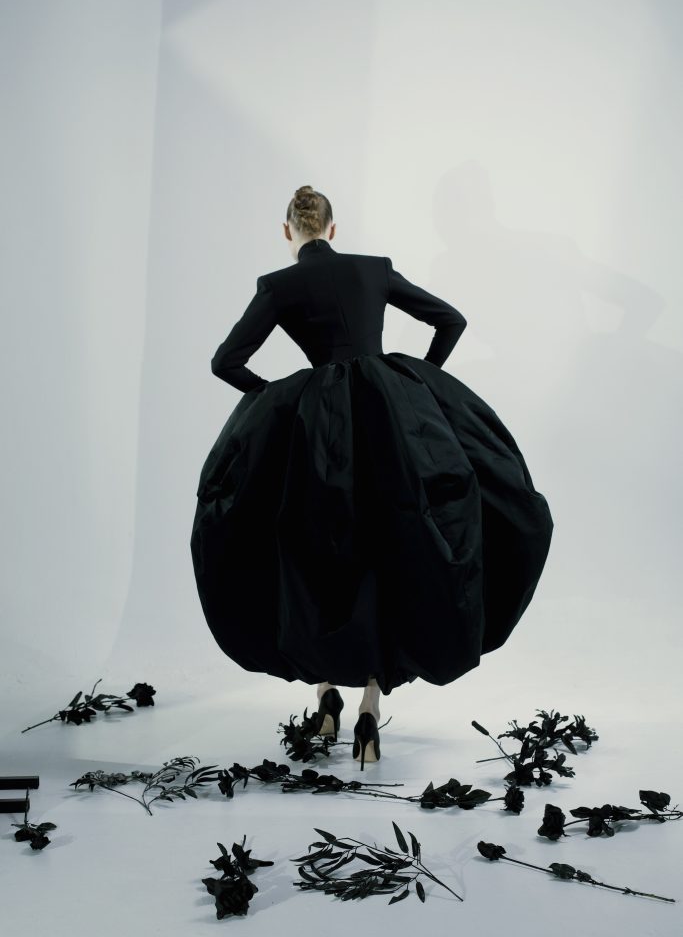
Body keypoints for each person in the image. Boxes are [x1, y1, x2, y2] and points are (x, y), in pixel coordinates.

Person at [190, 185, 553, 770]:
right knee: (389, 547)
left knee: (316, 553)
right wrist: (419, 383)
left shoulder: (278, 286)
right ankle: (368, 706)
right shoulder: (373, 269)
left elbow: (225, 362)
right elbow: (450, 320)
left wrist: (277, 401)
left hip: (318, 436)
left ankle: (324, 697)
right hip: (390, 423)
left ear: (289, 233)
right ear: (333, 229)